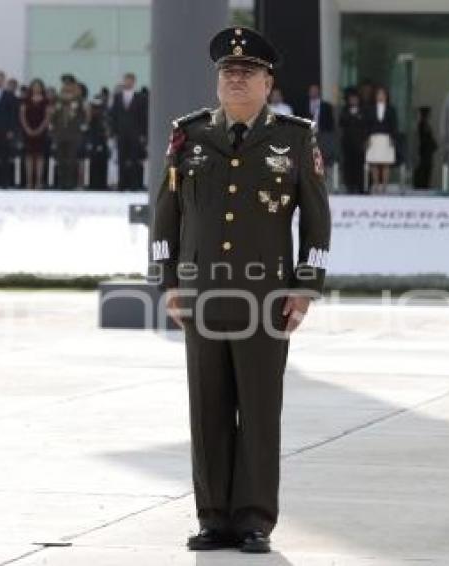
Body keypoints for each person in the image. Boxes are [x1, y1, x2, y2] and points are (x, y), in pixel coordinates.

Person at [150, 26, 331, 554]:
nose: (235, 78)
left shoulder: (294, 138)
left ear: (267, 81)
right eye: (228, 72)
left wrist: (304, 287)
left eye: (247, 72)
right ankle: (213, 518)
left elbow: (317, 221)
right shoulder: (189, 134)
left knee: (258, 409)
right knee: (206, 409)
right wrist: (167, 282)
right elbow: (168, 213)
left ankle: (253, 519)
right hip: (200, 294)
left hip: (265, 298)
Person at [109, 72, 148, 190]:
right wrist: (113, 131)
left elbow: (143, 117)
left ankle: (134, 184)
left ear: (134, 82)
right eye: (126, 80)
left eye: (130, 80)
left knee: (134, 159)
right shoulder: (117, 97)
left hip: (135, 133)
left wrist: (143, 134)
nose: (128, 82)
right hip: (121, 133)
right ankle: (122, 184)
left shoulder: (140, 97)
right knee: (121, 159)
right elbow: (113, 115)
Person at [49, 79, 86, 190]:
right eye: (65, 85)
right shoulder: (57, 100)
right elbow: (53, 115)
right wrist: (52, 128)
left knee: (71, 159)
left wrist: (80, 127)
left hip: (73, 134)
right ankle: (61, 182)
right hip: (60, 133)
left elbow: (83, 116)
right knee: (60, 159)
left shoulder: (78, 100)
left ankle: (70, 183)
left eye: (69, 85)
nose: (67, 87)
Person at [364, 86, 397, 194]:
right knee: (374, 163)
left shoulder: (391, 109)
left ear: (386, 96)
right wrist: (367, 137)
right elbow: (367, 124)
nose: (381, 96)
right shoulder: (370, 109)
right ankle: (376, 185)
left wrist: (393, 137)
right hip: (374, 137)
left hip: (386, 137)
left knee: (385, 163)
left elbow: (394, 125)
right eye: (379, 94)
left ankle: (384, 186)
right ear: (375, 96)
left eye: (383, 94)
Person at [20, 78, 51, 189]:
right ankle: (29, 181)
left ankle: (38, 182)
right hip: (28, 130)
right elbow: (22, 115)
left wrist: (40, 129)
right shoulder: (26, 100)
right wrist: (27, 128)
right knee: (29, 156)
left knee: (39, 157)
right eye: (35, 85)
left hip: (41, 131)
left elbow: (47, 117)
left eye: (38, 86)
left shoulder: (46, 101)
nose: (36, 88)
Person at [303, 84, 336, 180]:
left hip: (323, 135)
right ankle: (313, 179)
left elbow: (331, 123)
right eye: (311, 90)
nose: (313, 92)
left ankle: (324, 179)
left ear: (319, 92)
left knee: (323, 156)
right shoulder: (304, 105)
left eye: (315, 90)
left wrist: (329, 137)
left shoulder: (326, 106)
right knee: (310, 157)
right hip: (309, 135)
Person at [85, 95, 111, 189]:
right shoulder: (91, 116)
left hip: (102, 141)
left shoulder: (104, 115)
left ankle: (102, 183)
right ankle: (93, 183)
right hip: (93, 141)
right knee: (93, 163)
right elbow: (88, 127)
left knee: (102, 163)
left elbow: (106, 129)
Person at [414, 106, 437, 189]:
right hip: (424, 152)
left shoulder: (425, 125)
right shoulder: (422, 125)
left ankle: (424, 185)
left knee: (426, 170)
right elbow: (425, 139)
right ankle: (422, 186)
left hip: (426, 152)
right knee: (424, 170)